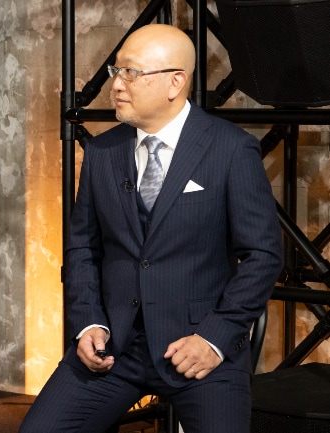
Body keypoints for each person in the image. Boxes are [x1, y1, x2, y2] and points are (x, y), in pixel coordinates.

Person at [19, 24, 282, 433]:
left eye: (131, 72)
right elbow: (82, 248)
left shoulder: (231, 148)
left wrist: (215, 337)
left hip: (199, 346)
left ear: (176, 82)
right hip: (116, 347)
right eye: (116, 71)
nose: (116, 85)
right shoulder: (102, 152)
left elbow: (263, 256)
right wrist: (88, 323)